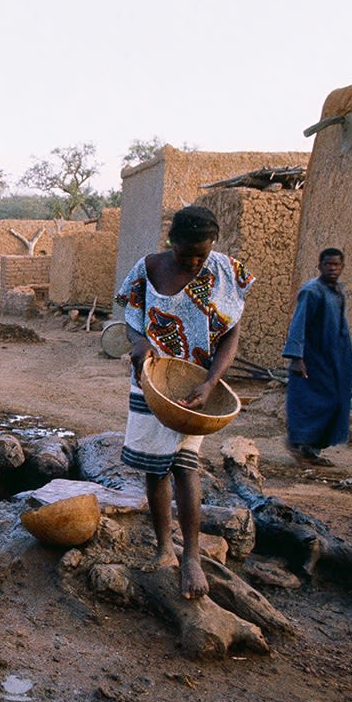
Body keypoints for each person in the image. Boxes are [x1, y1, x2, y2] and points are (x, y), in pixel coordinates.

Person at [115, 206, 254, 599]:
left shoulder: (225, 271)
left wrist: (211, 382)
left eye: (201, 255)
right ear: (171, 241)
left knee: (185, 465)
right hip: (151, 381)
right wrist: (139, 342)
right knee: (154, 468)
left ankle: (191, 555)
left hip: (196, 387)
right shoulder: (147, 268)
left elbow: (230, 335)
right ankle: (163, 547)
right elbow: (131, 318)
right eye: (185, 255)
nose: (193, 263)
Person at [283, 248, 352, 467]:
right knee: (309, 403)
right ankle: (299, 445)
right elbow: (299, 323)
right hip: (312, 358)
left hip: (333, 359)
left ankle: (312, 450)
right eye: (328, 264)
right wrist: (296, 357)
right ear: (320, 266)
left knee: (336, 401)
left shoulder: (338, 290)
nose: (332, 268)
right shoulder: (312, 291)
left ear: (342, 267)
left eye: (336, 265)